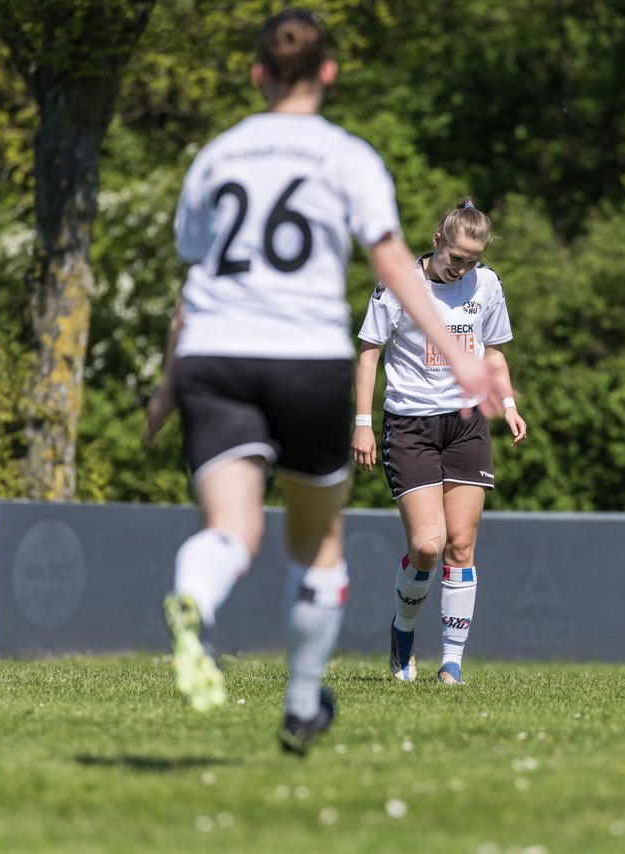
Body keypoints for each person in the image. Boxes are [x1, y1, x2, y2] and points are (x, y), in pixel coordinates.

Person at [144, 9, 504, 754]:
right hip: (301, 356)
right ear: (329, 74)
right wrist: (459, 352)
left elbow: (193, 279)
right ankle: (303, 704)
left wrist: (166, 383)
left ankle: (196, 593)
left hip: (215, 352)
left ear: (256, 75)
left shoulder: (216, 156)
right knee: (318, 549)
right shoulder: (349, 158)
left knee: (231, 530)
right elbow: (395, 268)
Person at [351, 199, 527, 686]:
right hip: (410, 426)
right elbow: (368, 353)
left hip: (467, 423)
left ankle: (451, 664)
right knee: (428, 546)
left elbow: (493, 353)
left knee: (461, 544)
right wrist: (362, 422)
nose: (462, 268)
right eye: (456, 258)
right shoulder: (399, 284)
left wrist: (509, 404)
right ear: (437, 241)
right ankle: (402, 632)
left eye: (471, 261)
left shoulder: (487, 284)